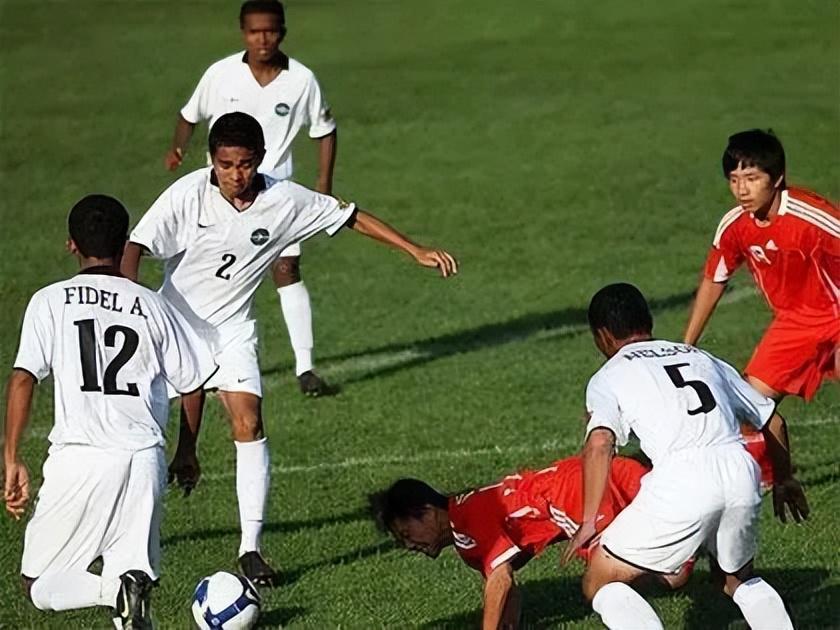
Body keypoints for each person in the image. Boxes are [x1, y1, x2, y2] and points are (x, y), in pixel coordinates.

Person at [122, 111, 457, 586]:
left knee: (250, 422)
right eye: (225, 165)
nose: (235, 175)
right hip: (173, 325)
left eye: (244, 164)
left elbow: (350, 215)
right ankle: (129, 541)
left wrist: (414, 249)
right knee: (142, 439)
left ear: (260, 159)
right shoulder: (187, 194)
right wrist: (129, 301)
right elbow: (136, 244)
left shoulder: (284, 199)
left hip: (233, 330)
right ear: (211, 160)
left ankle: (250, 549)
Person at [4, 195, 216, 629]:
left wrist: (11, 457)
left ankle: (111, 591)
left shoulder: (49, 301)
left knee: (39, 581)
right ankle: (124, 590)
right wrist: (186, 451)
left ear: (71, 244)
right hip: (143, 459)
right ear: (125, 245)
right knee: (132, 584)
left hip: (80, 459)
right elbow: (192, 385)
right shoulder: (153, 305)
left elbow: (24, 379)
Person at [564, 283, 809, 630]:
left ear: (602, 335)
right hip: (739, 469)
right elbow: (774, 420)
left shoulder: (609, 374)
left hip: (682, 480)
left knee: (600, 581)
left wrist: (589, 521)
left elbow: (601, 442)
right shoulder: (700, 357)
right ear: (648, 321)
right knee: (736, 579)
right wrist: (784, 479)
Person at [164, 0, 339, 396]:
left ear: (283, 32)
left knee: (287, 269)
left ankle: (306, 368)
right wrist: (178, 148)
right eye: (255, 31)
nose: (263, 39)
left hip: (276, 197)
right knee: (210, 276)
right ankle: (199, 362)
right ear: (243, 33)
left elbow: (325, 129)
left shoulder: (302, 80)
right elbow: (189, 115)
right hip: (219, 196)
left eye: (271, 30)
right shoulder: (221, 75)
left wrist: (323, 185)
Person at [370, 456, 694, 629]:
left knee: (604, 586)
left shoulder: (467, 523)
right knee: (673, 574)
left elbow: (500, 581)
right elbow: (505, 587)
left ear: (427, 512)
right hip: (598, 475)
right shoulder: (465, 521)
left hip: (577, 495)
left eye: (406, 533)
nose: (408, 545)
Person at [684, 129, 838, 404]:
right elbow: (714, 279)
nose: (742, 190)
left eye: (752, 179)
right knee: (749, 409)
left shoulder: (812, 218)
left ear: (777, 178)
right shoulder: (735, 226)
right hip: (793, 325)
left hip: (836, 317)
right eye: (734, 180)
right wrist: (686, 346)